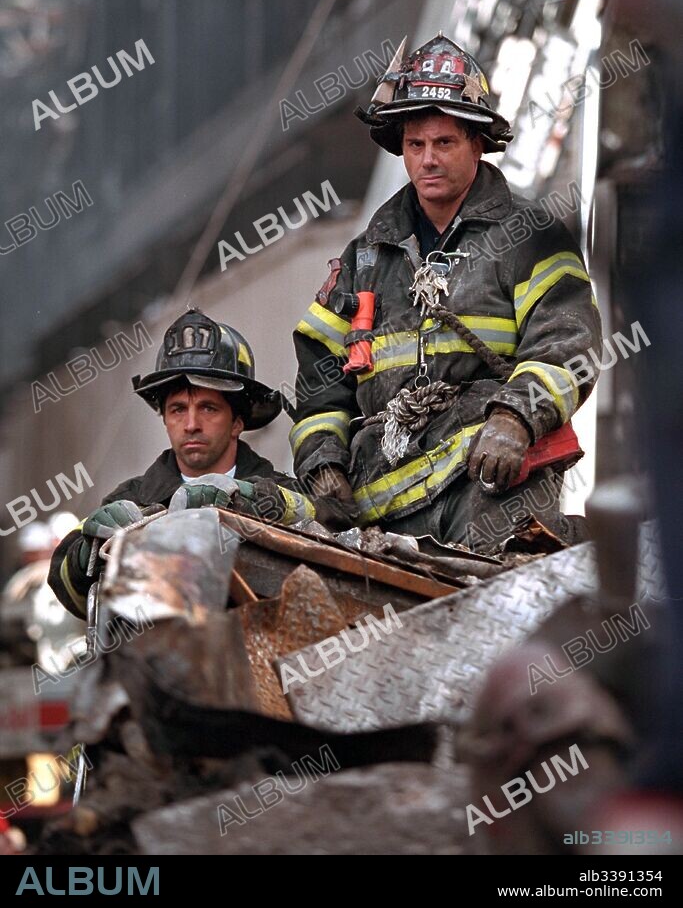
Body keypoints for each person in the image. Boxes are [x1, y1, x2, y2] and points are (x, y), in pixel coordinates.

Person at [290, 34, 602, 550]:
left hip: (496, 482)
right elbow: (319, 376)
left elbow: (568, 344)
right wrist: (322, 460)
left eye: (445, 143)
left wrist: (515, 418)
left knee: (494, 612)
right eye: (416, 145)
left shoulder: (530, 236)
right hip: (383, 501)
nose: (428, 159)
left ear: (478, 143)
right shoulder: (365, 256)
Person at [49, 308, 332, 619]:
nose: (191, 424)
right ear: (166, 420)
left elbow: (334, 527)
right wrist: (86, 551)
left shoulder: (279, 492)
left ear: (237, 421)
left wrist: (246, 501)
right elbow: (71, 593)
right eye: (178, 409)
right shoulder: (132, 499)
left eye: (208, 408)